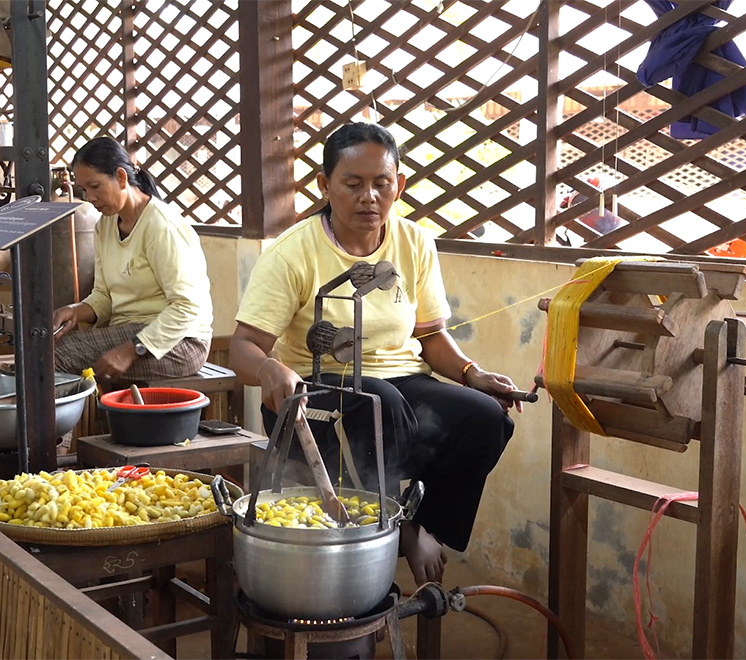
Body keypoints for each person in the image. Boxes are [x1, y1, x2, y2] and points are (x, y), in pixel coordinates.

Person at [229, 122, 520, 585]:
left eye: (382, 183)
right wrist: (269, 368)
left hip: (402, 386)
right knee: (379, 403)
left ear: (398, 185)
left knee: (485, 418)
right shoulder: (292, 253)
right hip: (312, 392)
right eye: (353, 184)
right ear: (325, 185)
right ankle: (382, 536)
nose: (369, 196)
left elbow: (431, 338)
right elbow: (242, 346)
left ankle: (416, 525)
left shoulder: (414, 242)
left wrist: (471, 373)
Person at [52, 136, 213, 388]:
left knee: (57, 356)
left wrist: (129, 350)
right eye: (84, 190)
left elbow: (188, 308)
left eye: (95, 186)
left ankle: (50, 429)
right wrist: (74, 311)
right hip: (130, 331)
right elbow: (104, 295)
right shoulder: (105, 225)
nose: (90, 197)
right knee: (47, 346)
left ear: (121, 177)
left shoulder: (162, 226)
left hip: (181, 342)